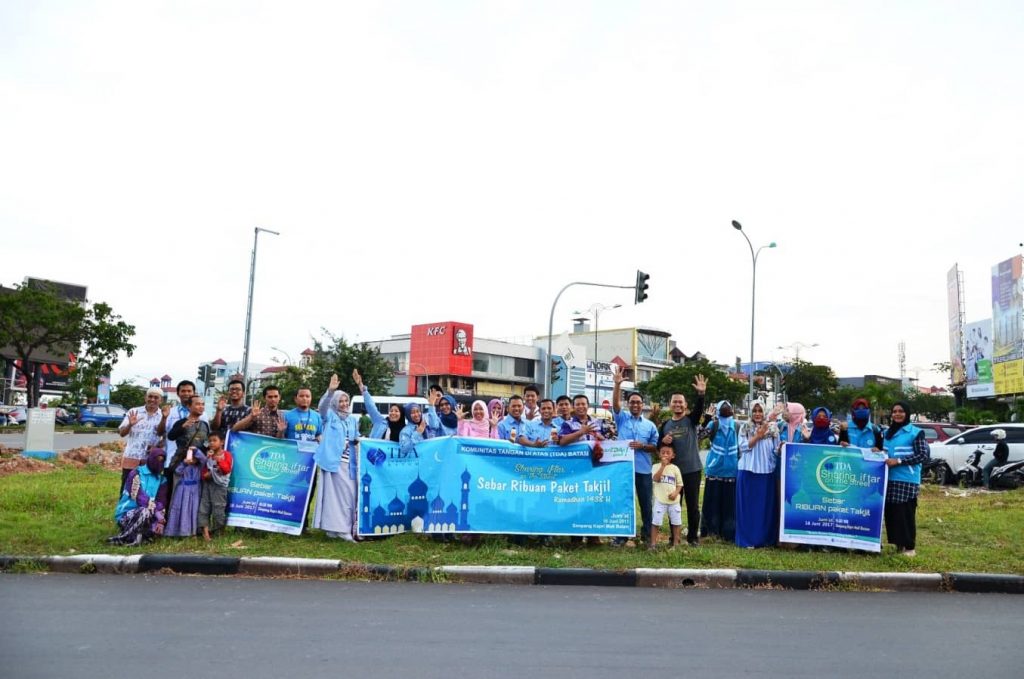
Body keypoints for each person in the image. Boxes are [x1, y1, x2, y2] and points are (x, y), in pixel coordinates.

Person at [611, 368, 660, 546]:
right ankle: (622, 536)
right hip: (623, 470)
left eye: (638, 402)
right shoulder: (622, 419)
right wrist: (617, 385)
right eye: (632, 402)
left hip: (643, 469)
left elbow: (656, 447)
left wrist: (643, 446)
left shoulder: (650, 426)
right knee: (624, 503)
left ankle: (647, 535)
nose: (635, 405)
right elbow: (615, 405)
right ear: (628, 404)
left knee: (646, 504)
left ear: (642, 404)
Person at [658, 375, 707, 546]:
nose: (678, 404)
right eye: (675, 402)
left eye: (681, 402)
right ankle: (674, 538)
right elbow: (659, 447)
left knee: (692, 506)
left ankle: (693, 538)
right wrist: (663, 441)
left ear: (685, 405)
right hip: (673, 473)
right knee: (674, 505)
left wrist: (701, 395)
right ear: (670, 404)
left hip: (692, 470)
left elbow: (699, 410)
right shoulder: (665, 425)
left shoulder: (691, 420)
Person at [882, 401, 929, 557]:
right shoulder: (887, 433)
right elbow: (884, 453)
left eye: (901, 411)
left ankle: (909, 547)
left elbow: (922, 454)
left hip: (907, 479)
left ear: (907, 413)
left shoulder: (915, 432)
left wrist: (899, 461)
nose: (897, 414)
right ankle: (898, 545)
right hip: (889, 478)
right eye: (894, 411)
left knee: (905, 512)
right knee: (892, 512)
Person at [312, 388, 360, 541]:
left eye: (346, 400)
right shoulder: (330, 416)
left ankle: (335, 528)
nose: (344, 404)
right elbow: (322, 407)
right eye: (341, 401)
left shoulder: (352, 419)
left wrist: (358, 440)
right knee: (338, 496)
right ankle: (341, 529)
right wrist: (330, 391)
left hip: (350, 463)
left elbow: (355, 436)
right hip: (335, 462)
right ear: (335, 403)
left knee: (350, 496)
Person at [736, 400, 783, 548]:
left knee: (764, 508)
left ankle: (765, 540)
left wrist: (782, 448)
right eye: (755, 411)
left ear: (764, 412)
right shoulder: (745, 427)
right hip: (748, 471)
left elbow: (776, 450)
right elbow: (743, 447)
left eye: (760, 411)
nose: (757, 414)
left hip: (766, 472)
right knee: (748, 508)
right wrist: (757, 436)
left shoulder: (773, 428)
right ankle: (747, 540)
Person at [165, 396, 209, 537]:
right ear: (189, 406)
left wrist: (200, 458)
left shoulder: (204, 425)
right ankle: (174, 529)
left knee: (197, 497)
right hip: (181, 465)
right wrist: (182, 427)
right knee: (177, 496)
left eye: (203, 404)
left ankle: (195, 529)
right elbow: (171, 436)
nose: (201, 407)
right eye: (197, 404)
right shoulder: (181, 422)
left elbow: (206, 445)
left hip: (198, 466)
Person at [109, 447, 169, 546]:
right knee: (143, 511)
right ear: (150, 459)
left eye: (162, 461)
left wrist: (160, 521)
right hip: (127, 515)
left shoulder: (162, 479)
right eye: (157, 460)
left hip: (150, 514)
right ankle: (126, 538)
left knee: (154, 525)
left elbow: (161, 501)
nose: (159, 464)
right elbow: (139, 498)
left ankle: (142, 536)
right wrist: (157, 514)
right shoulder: (136, 474)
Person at [117, 387, 168, 496]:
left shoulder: (164, 416)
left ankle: (143, 513)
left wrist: (157, 447)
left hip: (151, 460)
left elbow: (165, 438)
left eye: (156, 397)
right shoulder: (134, 411)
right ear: (145, 398)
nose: (152, 400)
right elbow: (122, 433)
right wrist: (130, 424)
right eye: (150, 396)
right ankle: (124, 512)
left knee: (147, 491)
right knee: (127, 489)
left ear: (161, 400)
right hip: (132, 458)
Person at [700, 400, 739, 541]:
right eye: (722, 406)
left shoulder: (738, 426)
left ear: (732, 410)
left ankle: (728, 534)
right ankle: (711, 532)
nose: (725, 408)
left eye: (728, 406)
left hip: (732, 471)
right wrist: (707, 419)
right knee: (712, 503)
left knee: (729, 505)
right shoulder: (713, 425)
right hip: (714, 471)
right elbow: (698, 436)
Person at [346, 369, 405, 441]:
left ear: (401, 414)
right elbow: (371, 407)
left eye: (396, 411)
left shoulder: (405, 431)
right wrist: (360, 385)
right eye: (391, 410)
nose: (393, 413)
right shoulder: (380, 422)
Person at [198, 431, 233, 541]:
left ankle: (219, 533)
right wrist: (205, 475)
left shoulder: (227, 455)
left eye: (214, 440)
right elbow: (204, 471)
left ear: (222, 442)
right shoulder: (208, 455)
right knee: (204, 508)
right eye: (210, 441)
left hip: (220, 486)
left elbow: (226, 470)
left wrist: (218, 460)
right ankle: (205, 534)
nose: (212, 443)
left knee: (219, 508)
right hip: (208, 485)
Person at [650, 443, 683, 549]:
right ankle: (653, 544)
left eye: (668, 453)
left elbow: (680, 484)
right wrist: (663, 466)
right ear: (659, 454)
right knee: (656, 521)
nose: (665, 455)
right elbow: (655, 479)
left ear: (673, 456)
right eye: (662, 452)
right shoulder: (655, 467)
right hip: (660, 500)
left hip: (674, 501)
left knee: (676, 522)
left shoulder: (675, 468)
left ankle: (676, 544)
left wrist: (675, 493)